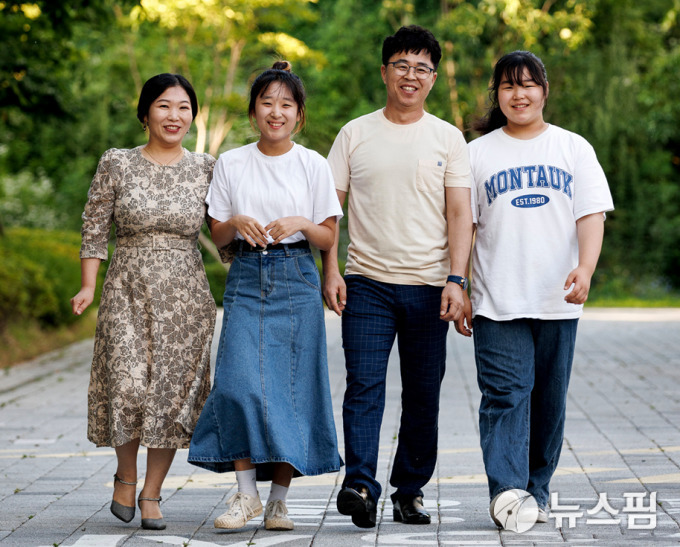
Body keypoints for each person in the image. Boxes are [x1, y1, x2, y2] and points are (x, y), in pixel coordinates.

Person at [322, 25, 473, 528]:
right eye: (402, 66)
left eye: (422, 68)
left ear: (432, 79)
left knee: (423, 391)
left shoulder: (448, 138)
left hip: (431, 288)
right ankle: (360, 484)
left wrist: (458, 279)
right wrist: (331, 271)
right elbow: (329, 212)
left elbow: (459, 215)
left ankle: (409, 489)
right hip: (365, 282)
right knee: (363, 386)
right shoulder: (355, 133)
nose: (411, 76)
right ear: (385, 71)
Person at [187, 60, 343, 532]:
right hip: (248, 277)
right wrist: (236, 224)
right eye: (267, 103)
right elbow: (217, 233)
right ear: (253, 111)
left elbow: (328, 236)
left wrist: (299, 222)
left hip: (296, 277)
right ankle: (246, 496)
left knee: (293, 392)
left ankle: (277, 501)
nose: (276, 112)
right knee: (236, 385)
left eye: (286, 104)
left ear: (298, 114)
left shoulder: (313, 163)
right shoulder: (232, 162)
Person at [460, 50, 614, 528]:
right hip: (496, 299)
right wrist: (458, 284)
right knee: (506, 395)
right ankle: (508, 494)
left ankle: (537, 489)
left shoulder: (572, 148)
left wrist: (585, 268)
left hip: (557, 300)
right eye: (508, 86)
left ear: (544, 91)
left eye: (527, 84)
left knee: (548, 402)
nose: (518, 93)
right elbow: (463, 225)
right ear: (497, 94)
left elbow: (590, 214)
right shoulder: (476, 153)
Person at [70, 74, 216, 530]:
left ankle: (152, 492)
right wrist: (88, 286)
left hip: (186, 296)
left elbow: (223, 232)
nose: (174, 116)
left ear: (193, 115)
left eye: (184, 108)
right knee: (128, 386)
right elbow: (94, 228)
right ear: (145, 113)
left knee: (170, 396)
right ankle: (125, 477)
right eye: (164, 106)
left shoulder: (208, 167)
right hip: (126, 289)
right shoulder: (117, 163)